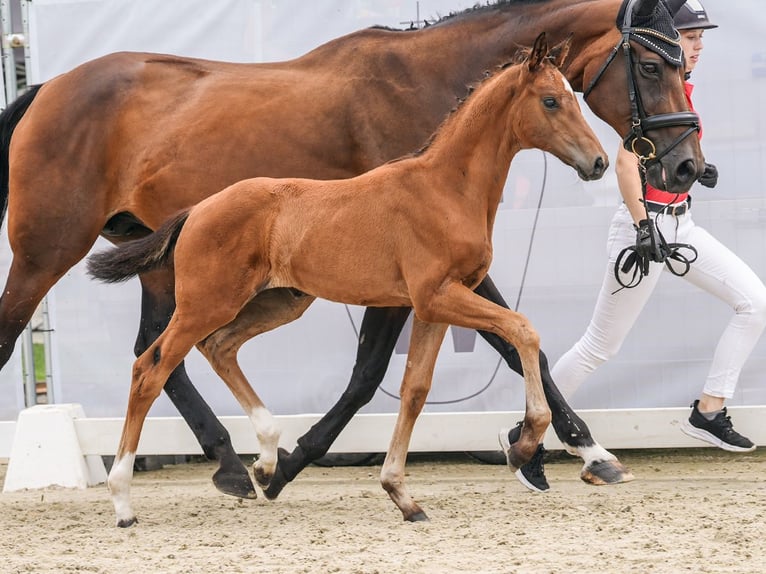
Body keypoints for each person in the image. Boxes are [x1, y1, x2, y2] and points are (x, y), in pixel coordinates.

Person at [500, 0, 766, 493]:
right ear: (669, 42)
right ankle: (524, 432)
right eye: (691, 37)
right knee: (601, 346)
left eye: (700, 38)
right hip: (645, 230)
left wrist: (694, 174)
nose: (699, 46)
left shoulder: (679, 92)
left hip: (681, 226)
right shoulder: (648, 89)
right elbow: (626, 166)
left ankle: (709, 411)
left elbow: (653, 161)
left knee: (755, 303)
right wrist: (645, 226)